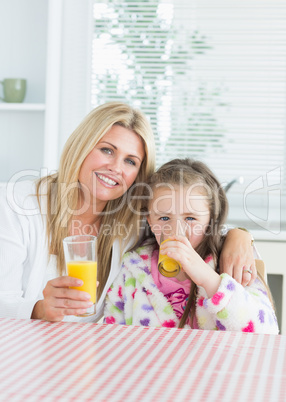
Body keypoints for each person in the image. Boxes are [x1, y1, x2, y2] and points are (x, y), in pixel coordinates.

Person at [0, 102, 255, 323]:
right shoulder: (17, 203)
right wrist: (39, 310)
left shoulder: (132, 222)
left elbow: (190, 222)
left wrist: (238, 235)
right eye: (107, 150)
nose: (115, 168)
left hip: (78, 358)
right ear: (82, 146)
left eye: (130, 161)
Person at [104, 158, 279, 334]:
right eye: (164, 218)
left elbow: (266, 332)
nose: (175, 230)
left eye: (190, 218)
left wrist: (208, 279)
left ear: (211, 221)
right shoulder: (133, 270)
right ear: (149, 221)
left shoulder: (230, 263)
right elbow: (112, 333)